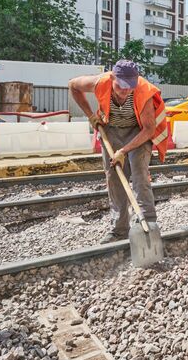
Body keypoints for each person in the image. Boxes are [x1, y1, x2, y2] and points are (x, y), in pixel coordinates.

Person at [68, 60, 169, 243]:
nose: (124, 91)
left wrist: (123, 150)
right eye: (120, 86)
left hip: (138, 133)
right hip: (111, 130)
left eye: (129, 87)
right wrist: (91, 115)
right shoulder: (100, 82)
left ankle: (148, 226)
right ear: (112, 77)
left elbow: (148, 129)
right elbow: (73, 85)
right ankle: (119, 229)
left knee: (139, 175)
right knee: (114, 178)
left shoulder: (143, 90)